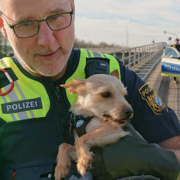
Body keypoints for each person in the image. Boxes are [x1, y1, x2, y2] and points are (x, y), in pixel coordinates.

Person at [0, 0, 180, 180]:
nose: (47, 40)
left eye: (56, 16)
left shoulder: (112, 72)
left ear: (73, 8)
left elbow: (176, 146)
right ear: (3, 26)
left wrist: (151, 159)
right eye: (25, 23)